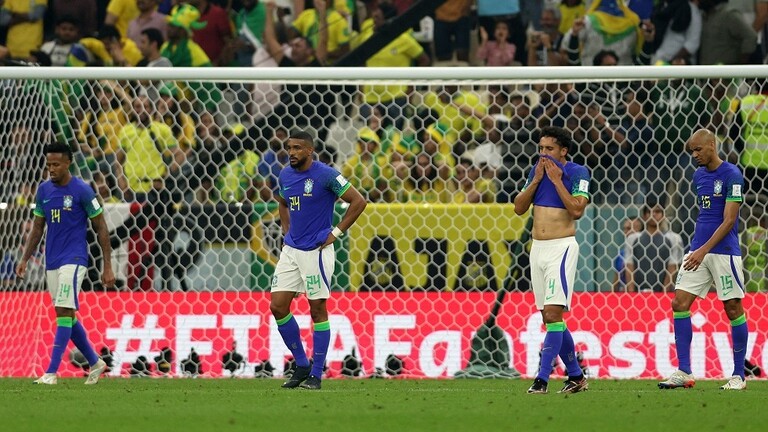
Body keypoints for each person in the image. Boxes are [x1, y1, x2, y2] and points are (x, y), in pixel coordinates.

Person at [270, 130, 367, 390]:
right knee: (278, 306)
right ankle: (301, 364)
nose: (292, 152)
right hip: (291, 250)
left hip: (317, 251)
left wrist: (336, 233)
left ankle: (316, 374)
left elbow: (358, 201)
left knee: (317, 310)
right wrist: (287, 231)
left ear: (310, 150)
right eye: (289, 147)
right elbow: (282, 202)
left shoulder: (326, 175)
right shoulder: (285, 175)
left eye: (297, 148)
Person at [16, 142, 115, 385]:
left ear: (68, 163)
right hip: (52, 260)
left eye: (56, 164)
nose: (51, 169)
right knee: (66, 314)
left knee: (63, 309)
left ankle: (50, 372)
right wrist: (25, 258)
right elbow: (38, 227)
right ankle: (95, 362)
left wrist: (107, 265)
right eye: (48, 164)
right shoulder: (43, 191)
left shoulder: (83, 190)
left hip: (75, 258)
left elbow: (101, 227)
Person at [658, 129, 750, 391]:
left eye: (698, 149)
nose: (695, 155)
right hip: (698, 249)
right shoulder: (698, 175)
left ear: (712, 145)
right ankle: (684, 371)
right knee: (679, 303)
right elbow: (706, 214)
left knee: (733, 308)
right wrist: (698, 250)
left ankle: (739, 376)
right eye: (691, 151)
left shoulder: (732, 174)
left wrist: (703, 251)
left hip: (724, 252)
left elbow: (729, 220)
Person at [513, 126, 591, 394]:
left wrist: (557, 181)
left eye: (549, 149)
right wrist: (536, 180)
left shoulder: (577, 172)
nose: (543, 153)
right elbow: (519, 207)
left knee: (554, 314)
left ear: (563, 151)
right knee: (549, 317)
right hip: (537, 248)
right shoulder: (535, 172)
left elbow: (577, 210)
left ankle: (542, 379)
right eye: (541, 148)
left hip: (561, 247)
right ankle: (576, 376)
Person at [624, 202, 684, 293]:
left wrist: (663, 293)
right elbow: (629, 266)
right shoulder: (633, 238)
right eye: (649, 211)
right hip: (638, 293)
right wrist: (631, 293)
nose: (653, 214)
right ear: (644, 216)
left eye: (657, 211)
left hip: (664, 293)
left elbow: (672, 267)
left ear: (663, 215)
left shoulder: (674, 238)